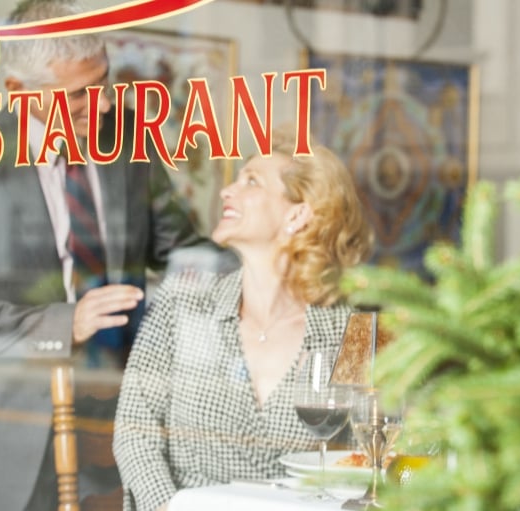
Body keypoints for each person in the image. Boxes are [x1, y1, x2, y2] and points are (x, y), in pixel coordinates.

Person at [0, 1, 205, 510]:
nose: (105, 107)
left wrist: (263, 257)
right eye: (79, 97)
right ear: (19, 94)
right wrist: (65, 323)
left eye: (105, 83)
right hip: (5, 445)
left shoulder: (126, 136)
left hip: (120, 431)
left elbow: (177, 245)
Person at [113, 131, 374, 511]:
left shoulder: (351, 332)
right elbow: (134, 435)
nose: (226, 192)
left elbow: (369, 458)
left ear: (298, 213)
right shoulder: (181, 303)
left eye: (251, 181)